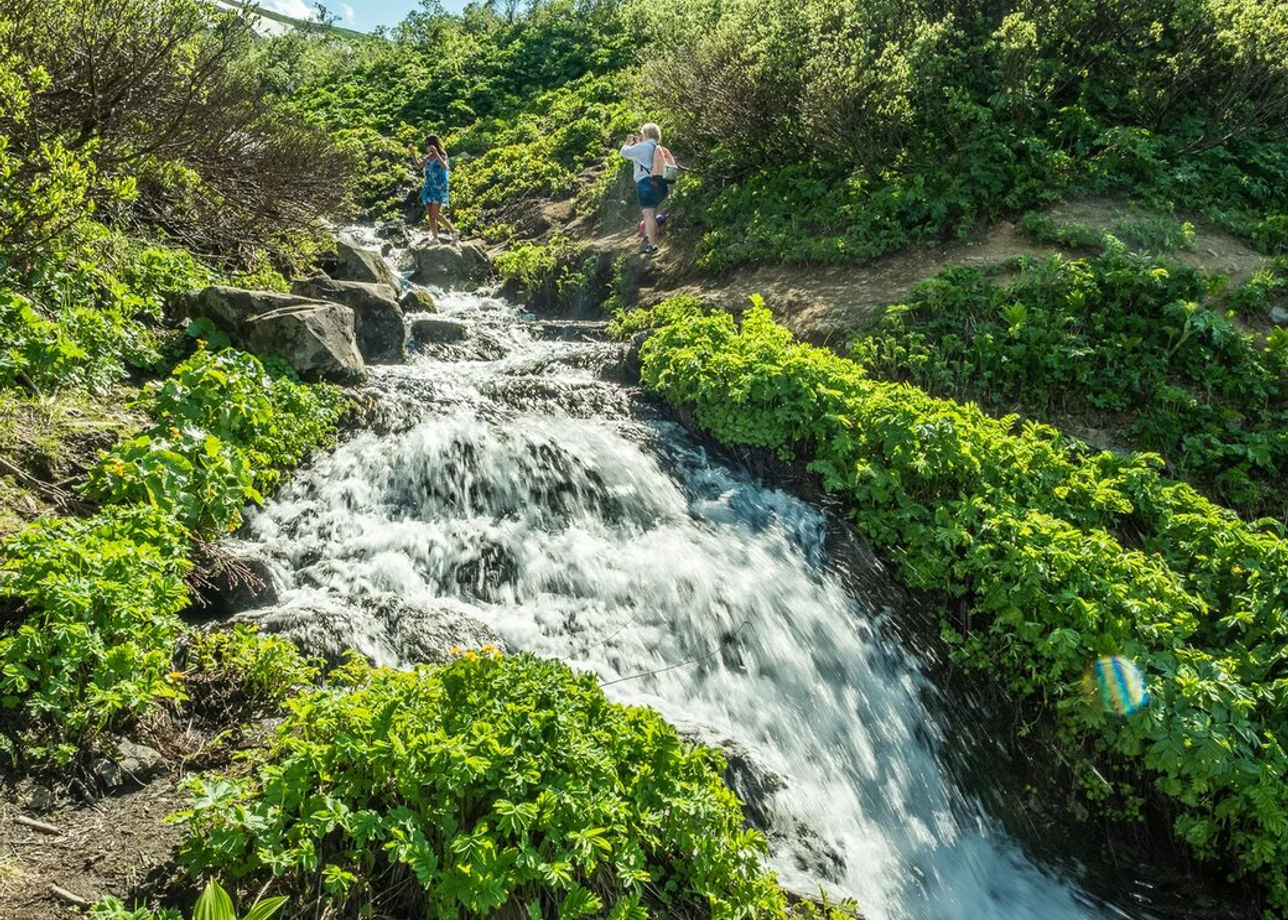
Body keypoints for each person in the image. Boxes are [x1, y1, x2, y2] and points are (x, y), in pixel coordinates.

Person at [620, 123, 674, 255]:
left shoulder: (643, 147)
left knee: (648, 215)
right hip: (660, 184)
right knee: (652, 215)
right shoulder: (656, 147)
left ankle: (653, 245)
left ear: (646, 134)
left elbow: (624, 153)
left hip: (647, 185)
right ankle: (652, 240)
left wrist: (627, 142)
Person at [408, 135, 459, 244]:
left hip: (439, 188)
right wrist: (412, 154)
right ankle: (435, 238)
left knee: (435, 213)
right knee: (430, 214)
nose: (426, 147)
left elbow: (444, 166)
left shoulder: (442, 155)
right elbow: (418, 166)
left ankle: (453, 231)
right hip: (428, 187)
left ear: (433, 145)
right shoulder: (427, 158)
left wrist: (436, 153)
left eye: (427, 145)